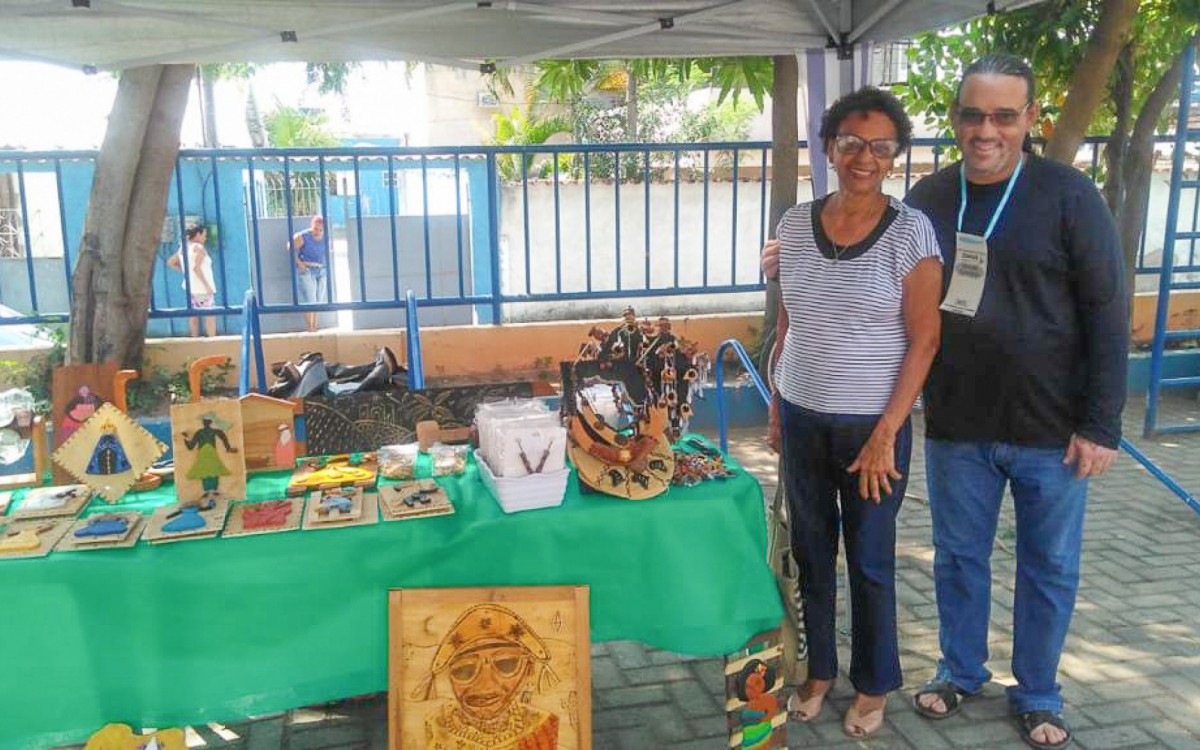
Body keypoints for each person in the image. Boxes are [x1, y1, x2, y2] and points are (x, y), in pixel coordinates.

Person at [762, 55, 1128, 750]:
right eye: (972, 114)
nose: (986, 129)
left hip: (1052, 428)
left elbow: (1108, 313)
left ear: (1030, 121)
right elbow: (857, 248)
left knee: (1047, 566)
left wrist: (1101, 424)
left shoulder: (1068, 195)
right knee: (960, 557)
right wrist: (787, 255)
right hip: (957, 422)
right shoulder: (930, 198)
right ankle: (960, 671)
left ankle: (1039, 692)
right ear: (956, 120)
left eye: (1003, 116)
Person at [765, 86, 943, 738]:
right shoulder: (792, 225)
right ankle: (819, 672)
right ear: (830, 147)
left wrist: (888, 432)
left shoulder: (911, 233)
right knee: (813, 551)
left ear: (894, 155)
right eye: (851, 143)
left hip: (875, 427)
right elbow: (790, 324)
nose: (864, 157)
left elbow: (925, 338)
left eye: (880, 146)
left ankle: (874, 684)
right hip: (805, 416)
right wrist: (780, 404)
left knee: (869, 560)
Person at [412, 603, 559, 749]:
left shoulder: (541, 727)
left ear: (529, 668)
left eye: (505, 664)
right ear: (449, 675)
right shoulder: (436, 725)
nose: (485, 684)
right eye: (465, 670)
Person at [168, 224, 217, 337]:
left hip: (191, 288)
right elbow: (196, 268)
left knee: (193, 316)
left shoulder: (183, 248)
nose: (205, 238)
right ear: (198, 234)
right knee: (210, 317)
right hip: (203, 289)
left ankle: (194, 339)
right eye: (204, 235)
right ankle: (212, 341)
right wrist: (207, 286)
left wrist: (185, 271)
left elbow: (170, 262)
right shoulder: (199, 248)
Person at [291, 215, 328, 332]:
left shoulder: (326, 238)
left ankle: (315, 327)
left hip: (321, 270)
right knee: (310, 300)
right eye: (315, 229)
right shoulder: (304, 236)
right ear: (312, 226)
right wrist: (299, 263)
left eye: (320, 230)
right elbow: (290, 247)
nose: (317, 232)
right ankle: (310, 327)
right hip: (307, 270)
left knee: (318, 301)